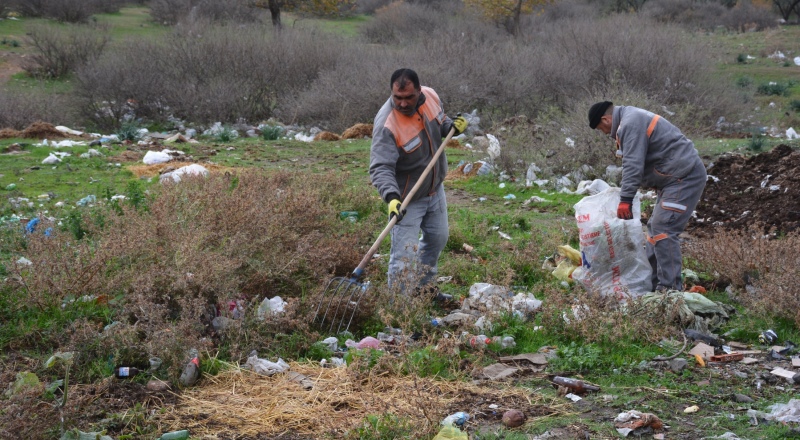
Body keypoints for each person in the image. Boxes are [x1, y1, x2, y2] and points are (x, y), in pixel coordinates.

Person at [369, 68, 467, 299]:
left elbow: (440, 121)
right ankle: (398, 309)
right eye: (397, 98)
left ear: (419, 91)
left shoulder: (431, 96)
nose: (402, 104)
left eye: (408, 98)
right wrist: (392, 198)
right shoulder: (387, 125)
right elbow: (380, 167)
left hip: (434, 189)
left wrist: (452, 126)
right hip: (407, 199)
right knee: (404, 257)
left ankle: (424, 289)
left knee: (437, 239)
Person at [588, 101, 707, 292]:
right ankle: (650, 284)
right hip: (673, 179)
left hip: (684, 178)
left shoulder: (629, 124)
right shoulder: (630, 118)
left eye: (602, 128)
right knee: (654, 229)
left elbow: (633, 165)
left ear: (606, 119)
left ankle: (670, 290)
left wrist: (625, 200)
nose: (604, 133)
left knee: (664, 228)